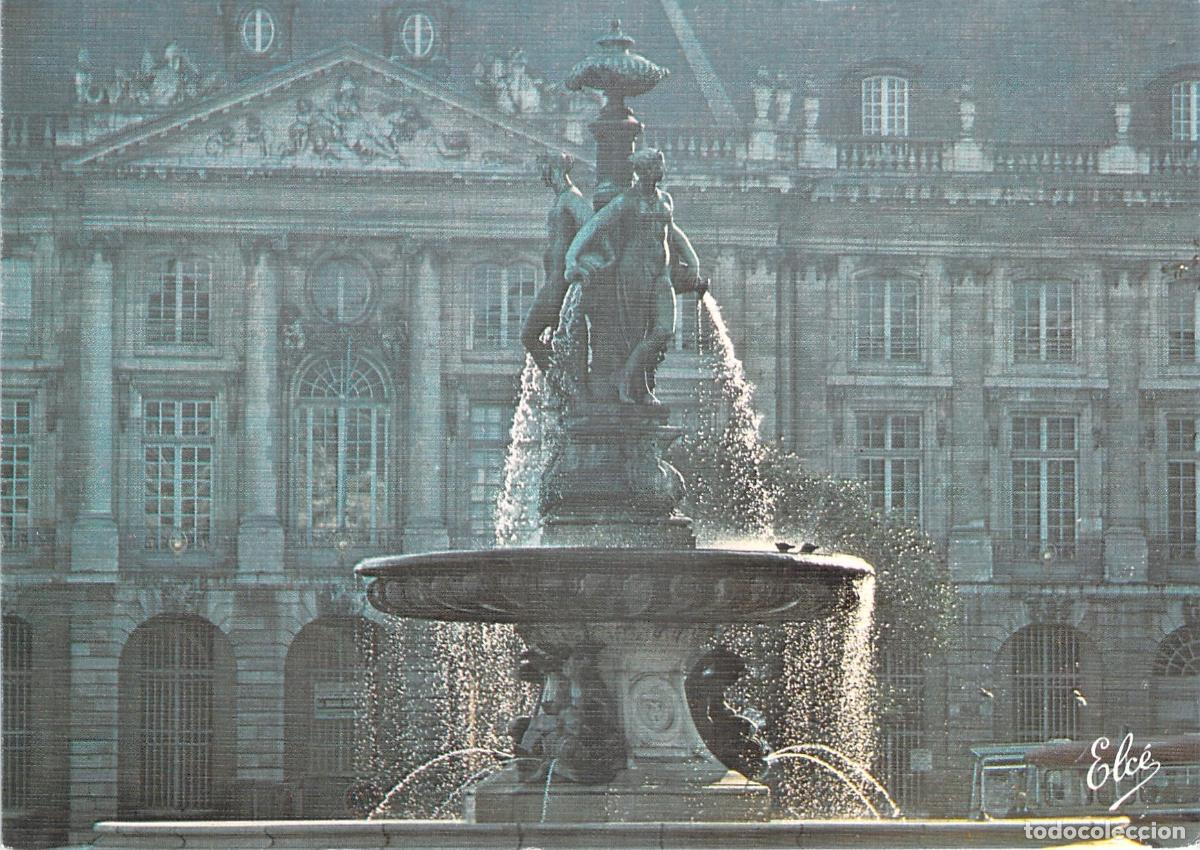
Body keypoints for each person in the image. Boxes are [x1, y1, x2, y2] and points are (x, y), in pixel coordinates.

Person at [564, 147, 705, 404]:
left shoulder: (665, 200)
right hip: (634, 272)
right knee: (636, 332)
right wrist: (571, 257)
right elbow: (594, 225)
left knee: (663, 329)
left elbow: (671, 231)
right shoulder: (626, 200)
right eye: (657, 166)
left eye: (661, 165)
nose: (661, 170)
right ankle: (638, 386)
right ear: (644, 171)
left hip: (659, 272)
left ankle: (626, 376)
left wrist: (692, 260)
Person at [521, 153, 593, 371]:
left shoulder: (572, 198)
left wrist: (575, 261)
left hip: (560, 284)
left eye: (544, 168)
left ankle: (564, 386)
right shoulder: (562, 199)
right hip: (554, 281)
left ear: (556, 169)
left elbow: (593, 228)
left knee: (529, 335)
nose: (541, 175)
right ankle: (564, 384)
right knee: (550, 340)